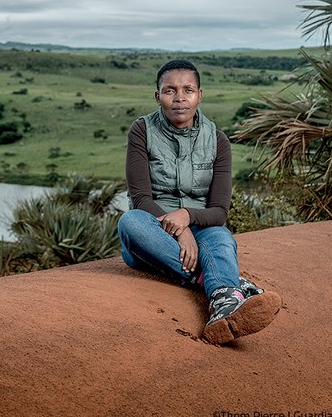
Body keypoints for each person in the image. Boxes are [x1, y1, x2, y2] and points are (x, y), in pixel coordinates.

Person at [117, 59, 281, 344]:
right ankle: (224, 285)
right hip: (154, 234)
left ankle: (223, 309)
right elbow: (141, 199)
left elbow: (219, 211)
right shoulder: (142, 130)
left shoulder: (218, 140)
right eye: (170, 90)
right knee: (130, 223)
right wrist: (180, 229)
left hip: (203, 228)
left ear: (199, 95)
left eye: (188, 90)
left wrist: (188, 218)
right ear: (157, 96)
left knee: (222, 236)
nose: (179, 97)